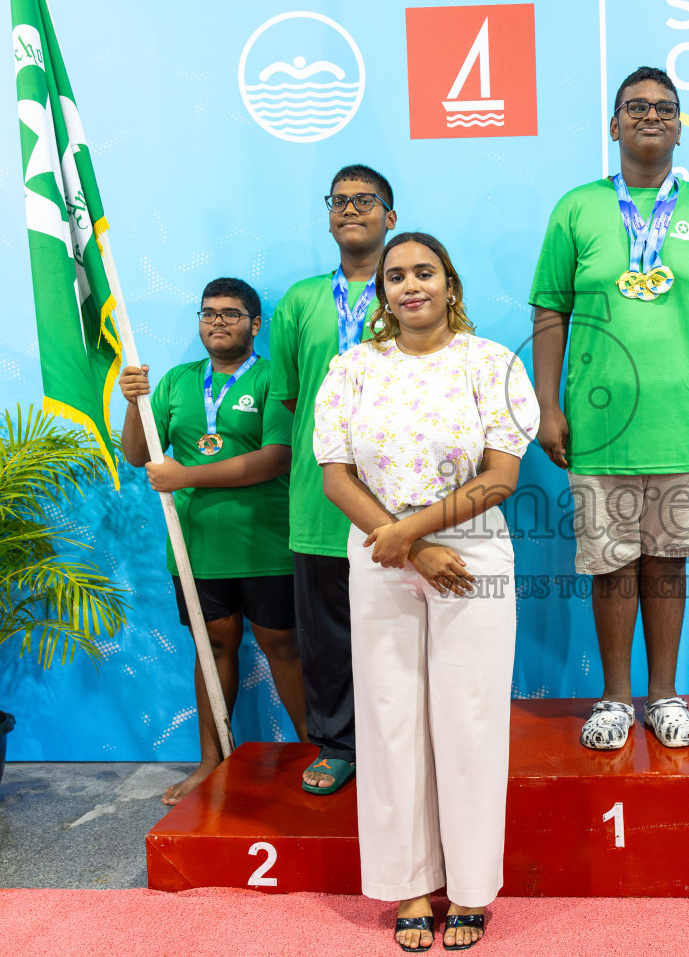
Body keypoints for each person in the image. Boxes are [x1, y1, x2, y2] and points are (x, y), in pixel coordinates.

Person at [314, 232, 538, 952]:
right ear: (381, 293)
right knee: (388, 723)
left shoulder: (491, 363)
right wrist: (408, 544)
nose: (411, 286)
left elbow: (500, 477)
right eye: (396, 276)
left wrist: (416, 535)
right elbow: (336, 477)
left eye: (425, 273)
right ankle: (409, 886)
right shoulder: (352, 368)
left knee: (470, 724)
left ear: (451, 284)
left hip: (469, 556)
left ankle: (470, 891)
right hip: (381, 556)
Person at [530, 65, 689, 752]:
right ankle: (614, 698)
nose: (650, 116)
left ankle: (663, 696)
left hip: (685, 424)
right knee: (611, 565)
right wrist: (546, 402)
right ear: (614, 125)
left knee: (668, 564)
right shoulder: (577, 208)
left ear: (680, 126)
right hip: (599, 427)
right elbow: (549, 309)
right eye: (636, 106)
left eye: (664, 107)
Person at [119, 277, 305, 806]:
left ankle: (319, 753)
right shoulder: (178, 381)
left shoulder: (274, 379)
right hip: (196, 547)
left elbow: (276, 458)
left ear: (254, 323)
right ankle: (212, 760)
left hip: (266, 544)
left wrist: (188, 477)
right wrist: (135, 403)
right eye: (208, 313)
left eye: (230, 313)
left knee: (283, 647)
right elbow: (138, 454)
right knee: (213, 646)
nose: (218, 321)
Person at [268, 164, 396, 795]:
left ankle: (398, 743)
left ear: (389, 218)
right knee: (326, 635)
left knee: (395, 628)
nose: (351, 209)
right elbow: (292, 397)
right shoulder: (299, 302)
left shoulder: (409, 289)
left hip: (397, 498)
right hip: (321, 502)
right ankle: (339, 744)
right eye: (339, 200)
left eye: (365, 200)